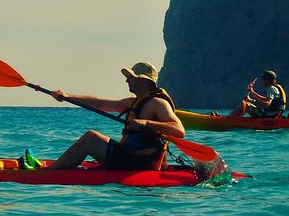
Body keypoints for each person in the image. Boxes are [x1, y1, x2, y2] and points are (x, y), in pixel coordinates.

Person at [47, 62, 185, 170]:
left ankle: (50, 172)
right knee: (92, 137)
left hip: (139, 163)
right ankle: (55, 167)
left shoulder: (158, 103)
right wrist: (67, 96)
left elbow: (179, 130)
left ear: (143, 80)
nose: (127, 81)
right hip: (128, 157)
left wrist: (146, 123)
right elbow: (100, 103)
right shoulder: (133, 102)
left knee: (91, 138)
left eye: (130, 78)